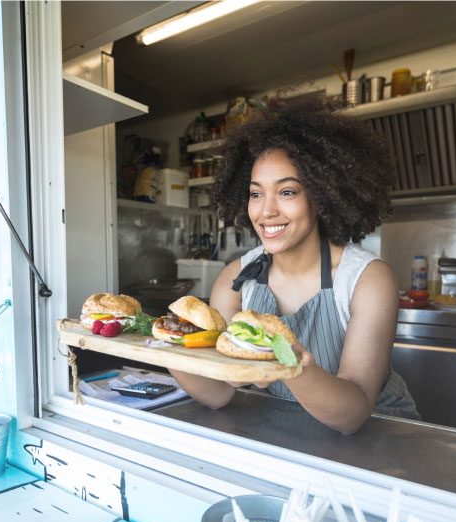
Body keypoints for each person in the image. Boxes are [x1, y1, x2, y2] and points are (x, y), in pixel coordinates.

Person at [169, 95, 418, 433]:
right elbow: (219, 392)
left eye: (287, 192)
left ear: (322, 194)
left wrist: (288, 360)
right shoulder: (236, 280)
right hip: (289, 434)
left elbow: (353, 413)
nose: (266, 211)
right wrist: (168, 349)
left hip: (379, 441)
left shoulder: (366, 279)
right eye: (256, 194)